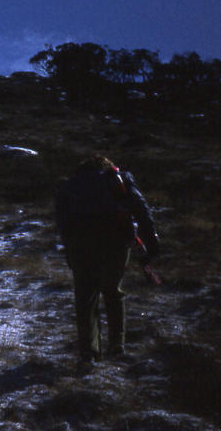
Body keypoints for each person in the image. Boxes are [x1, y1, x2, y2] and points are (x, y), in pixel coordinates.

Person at [55, 155, 160, 366]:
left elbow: (62, 221)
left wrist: (69, 248)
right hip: (115, 243)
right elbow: (141, 209)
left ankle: (89, 352)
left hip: (79, 245)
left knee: (85, 297)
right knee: (113, 291)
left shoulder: (69, 186)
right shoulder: (118, 178)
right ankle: (117, 346)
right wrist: (152, 243)